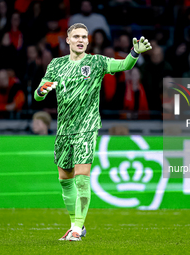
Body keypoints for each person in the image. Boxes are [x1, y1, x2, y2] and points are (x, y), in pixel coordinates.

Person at [33, 23, 151, 241]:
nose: (80, 40)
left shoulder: (96, 62)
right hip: (64, 130)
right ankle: (76, 224)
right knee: (65, 179)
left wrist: (134, 53)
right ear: (67, 40)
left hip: (87, 128)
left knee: (81, 178)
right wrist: (42, 90)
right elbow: (38, 94)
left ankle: (76, 230)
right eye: (75, 36)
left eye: (84, 37)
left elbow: (124, 65)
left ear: (88, 41)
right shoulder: (56, 65)